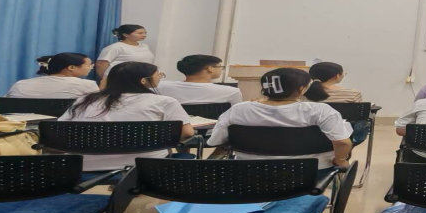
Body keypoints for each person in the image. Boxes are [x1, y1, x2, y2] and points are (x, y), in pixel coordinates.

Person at [59, 61, 194, 171]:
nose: (160, 77)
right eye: (159, 75)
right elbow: (187, 133)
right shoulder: (165, 102)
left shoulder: (85, 100)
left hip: (83, 165)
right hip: (144, 166)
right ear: (143, 81)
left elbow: (61, 128)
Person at [208, 67, 352, 170]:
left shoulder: (239, 110)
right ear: (301, 89)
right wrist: (339, 160)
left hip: (250, 169)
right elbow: (342, 142)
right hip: (309, 171)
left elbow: (217, 140)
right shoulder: (320, 110)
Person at [305, 62, 369, 145]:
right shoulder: (353, 94)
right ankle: (346, 148)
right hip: (343, 136)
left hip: (309, 134)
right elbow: (357, 115)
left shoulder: (303, 94)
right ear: (337, 76)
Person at [156, 55, 242, 105]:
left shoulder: (160, 86)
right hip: (212, 129)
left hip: (172, 128)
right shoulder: (231, 92)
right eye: (220, 67)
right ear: (210, 68)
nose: (221, 69)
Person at [5, 53, 100, 98]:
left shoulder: (20, 84)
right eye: (89, 65)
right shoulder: (87, 85)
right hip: (63, 128)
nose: (91, 68)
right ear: (71, 67)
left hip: (20, 128)